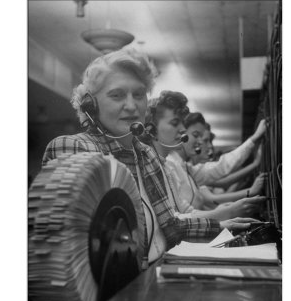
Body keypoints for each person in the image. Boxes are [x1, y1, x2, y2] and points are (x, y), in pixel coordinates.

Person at [42, 49, 257, 268]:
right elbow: (62, 254)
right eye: (116, 95)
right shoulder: (75, 148)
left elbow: (170, 226)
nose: (131, 105)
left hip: (159, 272)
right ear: (90, 105)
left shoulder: (146, 154)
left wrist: (221, 225)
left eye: (138, 94)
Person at [145, 91, 266, 220]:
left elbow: (187, 211)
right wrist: (228, 213)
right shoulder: (159, 167)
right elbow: (177, 220)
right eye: (175, 123)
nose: (182, 130)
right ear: (152, 130)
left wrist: (224, 212)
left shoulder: (176, 167)